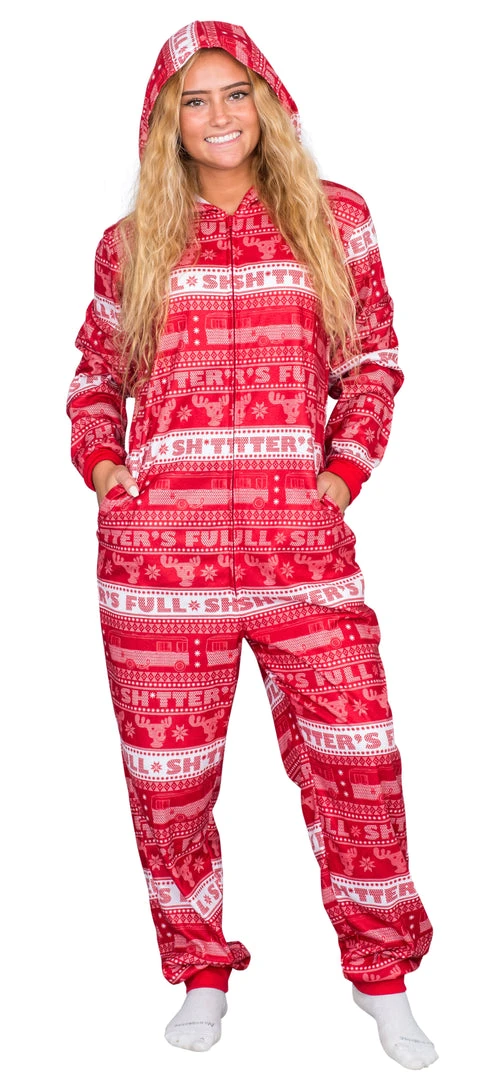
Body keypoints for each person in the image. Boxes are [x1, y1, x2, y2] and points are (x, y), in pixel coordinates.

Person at [66, 20, 438, 1068]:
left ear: (268, 100)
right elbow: (95, 377)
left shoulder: (333, 217)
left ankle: (382, 977)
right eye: (194, 100)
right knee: (170, 784)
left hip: (301, 552)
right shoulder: (131, 241)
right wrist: (108, 474)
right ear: (166, 122)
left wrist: (340, 475)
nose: (218, 116)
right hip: (157, 562)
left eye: (235, 93)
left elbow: (373, 361)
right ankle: (199, 971)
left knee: (357, 762)